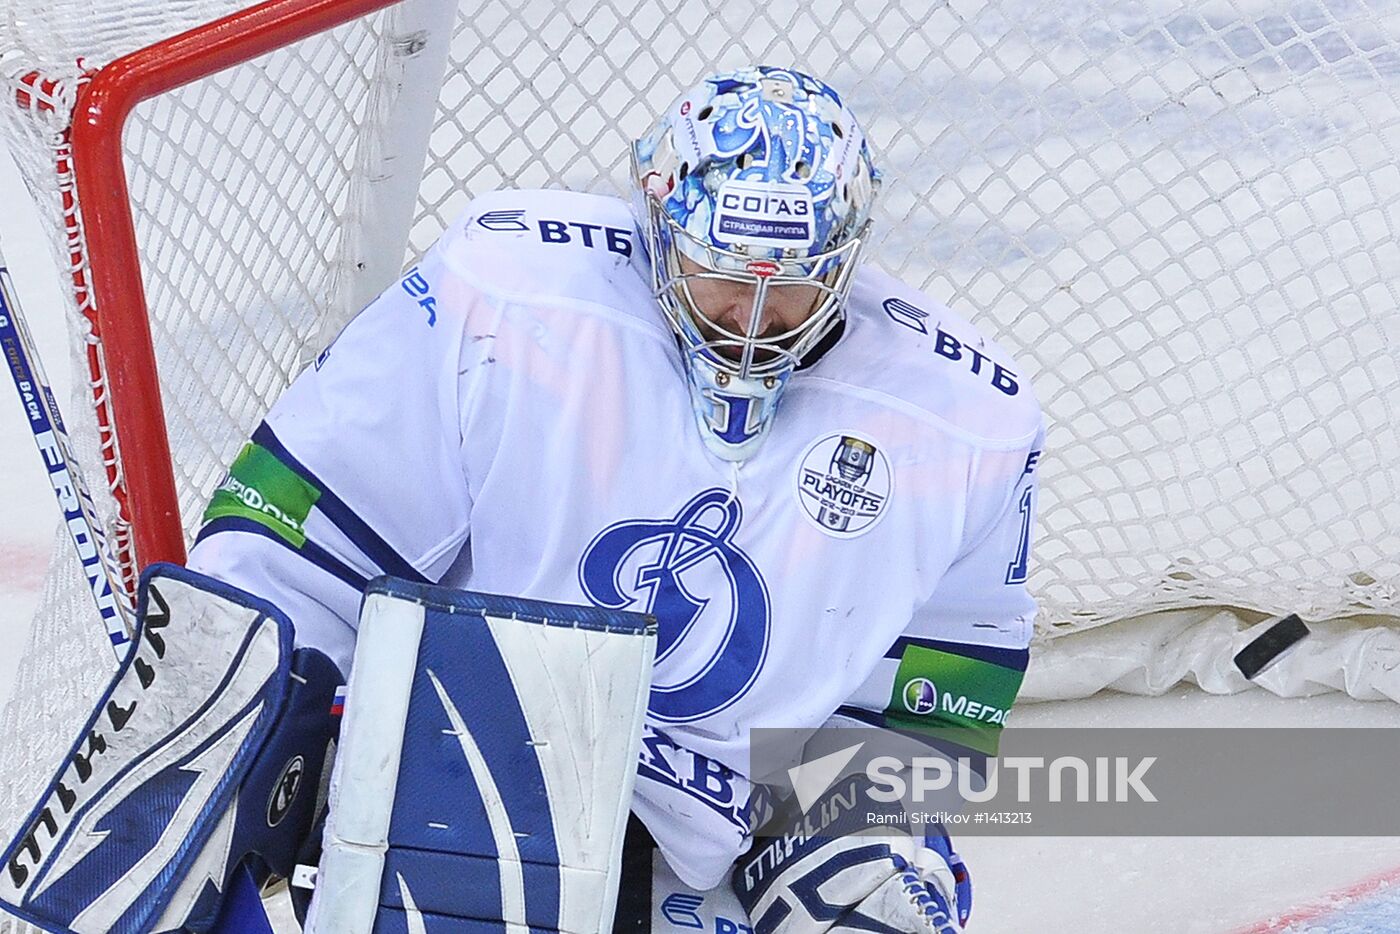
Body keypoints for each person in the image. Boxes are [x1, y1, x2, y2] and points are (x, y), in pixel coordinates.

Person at [188, 65, 1045, 932]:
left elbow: (940, 684)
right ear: (660, 228)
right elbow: (293, 552)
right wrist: (252, 734)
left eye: (789, 285)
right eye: (723, 274)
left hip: (716, 834)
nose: (752, 319)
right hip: (469, 761)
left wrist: (852, 817)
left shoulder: (968, 423)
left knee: (878, 898)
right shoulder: (507, 290)